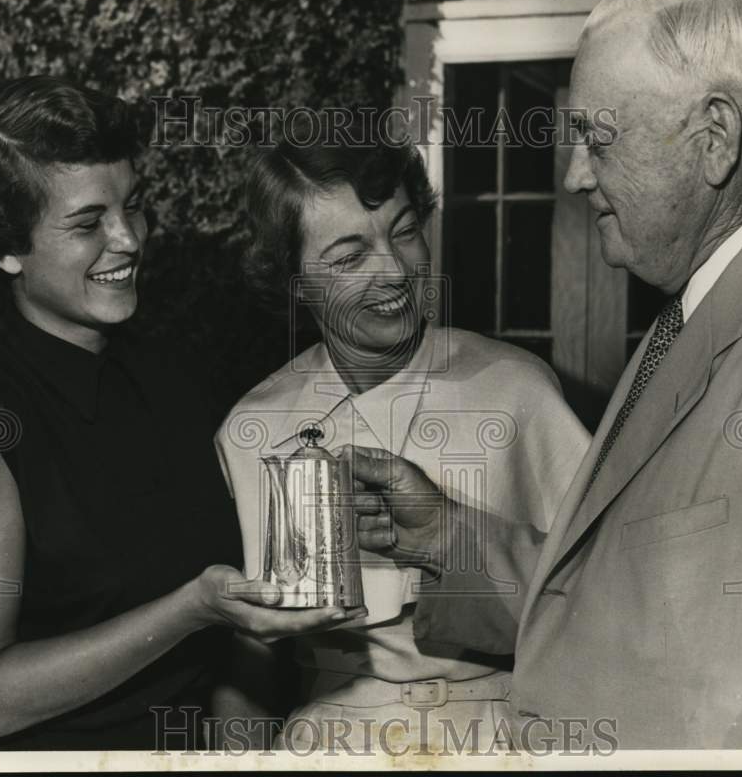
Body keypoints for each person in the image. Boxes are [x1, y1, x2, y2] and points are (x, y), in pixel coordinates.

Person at [346, 0, 742, 750]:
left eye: (598, 140)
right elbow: (623, 610)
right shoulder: (690, 315)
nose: (576, 175)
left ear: (714, 138)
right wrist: (442, 536)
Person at [0, 76, 366, 751]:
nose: (128, 239)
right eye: (88, 223)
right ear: (4, 247)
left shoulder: (173, 379)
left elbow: (236, 651)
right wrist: (189, 611)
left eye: (134, 206)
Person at [215, 121, 590, 752]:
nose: (394, 270)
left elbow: (601, 597)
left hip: (497, 734)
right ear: (296, 281)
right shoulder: (254, 426)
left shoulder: (517, 390)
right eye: (349, 254)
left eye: (406, 231)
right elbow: (250, 655)